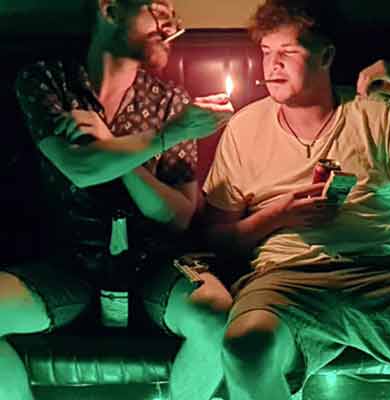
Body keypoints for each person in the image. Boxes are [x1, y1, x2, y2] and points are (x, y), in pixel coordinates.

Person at [0, 1, 232, 400]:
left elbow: (177, 216)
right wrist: (165, 137)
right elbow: (80, 168)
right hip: (67, 265)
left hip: (153, 265)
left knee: (216, 319)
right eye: (158, 9)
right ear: (110, 10)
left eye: (173, 14)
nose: (170, 25)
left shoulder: (170, 102)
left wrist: (114, 147)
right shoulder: (47, 80)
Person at [202, 1, 390, 399]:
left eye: (288, 52)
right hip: (285, 279)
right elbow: (216, 239)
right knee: (245, 349)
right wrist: (277, 216)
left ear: (325, 56)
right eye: (266, 52)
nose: (273, 65)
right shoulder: (244, 128)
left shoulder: (375, 115)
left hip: (377, 271)